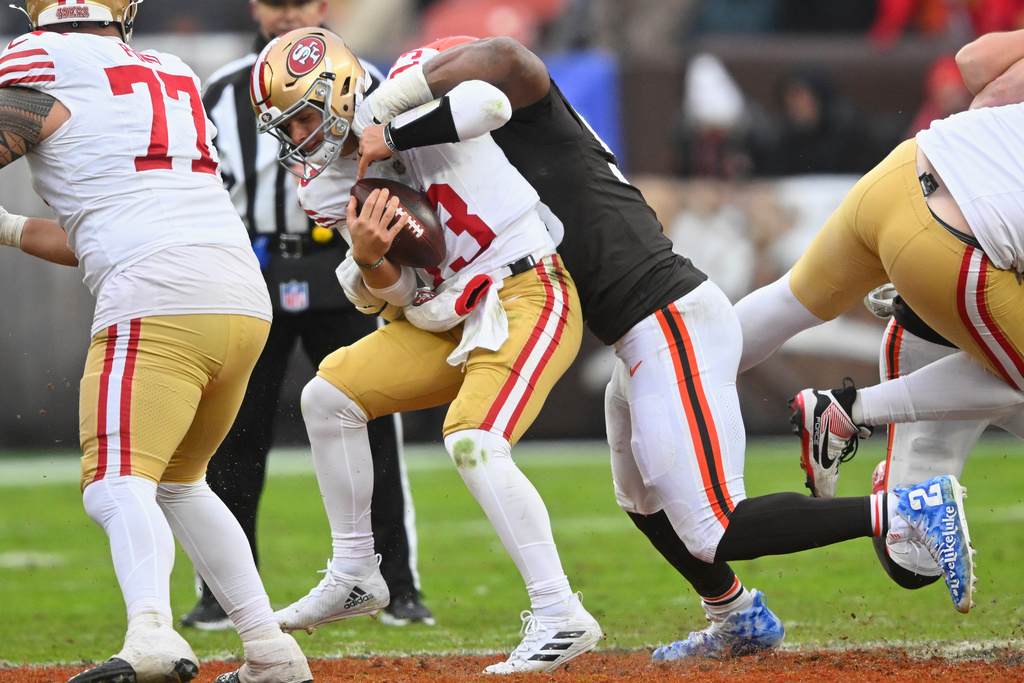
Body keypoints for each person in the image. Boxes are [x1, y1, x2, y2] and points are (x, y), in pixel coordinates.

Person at [350, 34, 979, 659]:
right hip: (640, 332)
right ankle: (735, 616)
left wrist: (393, 115)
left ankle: (906, 508)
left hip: (666, 316)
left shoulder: (528, 112)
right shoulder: (470, 180)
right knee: (641, 498)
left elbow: (507, 59)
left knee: (714, 526)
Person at [250, 28, 604, 674]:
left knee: (473, 439)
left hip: (525, 286)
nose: (297, 135)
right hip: (442, 317)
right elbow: (401, 293)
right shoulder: (326, 187)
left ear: (339, 90)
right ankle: (358, 569)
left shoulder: (416, 79)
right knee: (327, 396)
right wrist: (368, 258)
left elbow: (492, 105)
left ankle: (560, 610)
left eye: (301, 116)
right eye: (286, 124)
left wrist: (390, 130)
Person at [0, 2, 310, 682]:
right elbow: (105, 219)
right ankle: (270, 651)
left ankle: (153, 634)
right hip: (236, 295)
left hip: (157, 295)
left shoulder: (37, 59)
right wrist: (8, 226)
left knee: (114, 481)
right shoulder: (169, 71)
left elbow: (21, 129)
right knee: (179, 481)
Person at [179, 0, 432, 632]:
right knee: (233, 429)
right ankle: (222, 591)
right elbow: (204, 185)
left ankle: (396, 582)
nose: (288, 14)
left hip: (344, 264)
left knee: (371, 415)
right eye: (275, 3)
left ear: (322, 7)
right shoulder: (225, 91)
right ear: (255, 9)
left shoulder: (368, 81)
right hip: (256, 265)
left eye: (299, 2)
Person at [732, 27, 1024, 509]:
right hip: (950, 243)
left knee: (789, 299)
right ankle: (848, 411)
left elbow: (981, 77)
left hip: (908, 168)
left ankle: (668, 374)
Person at [863, 284, 1024, 588]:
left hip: (1008, 350)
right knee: (914, 563)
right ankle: (848, 408)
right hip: (939, 343)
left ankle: (851, 408)